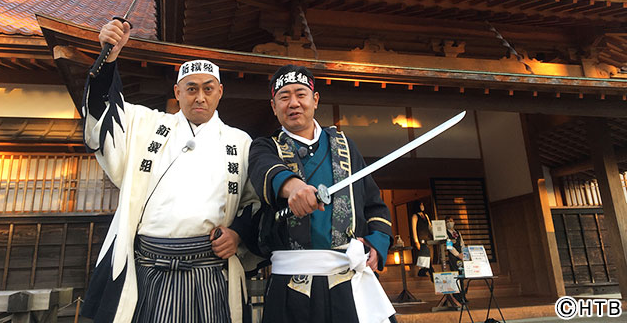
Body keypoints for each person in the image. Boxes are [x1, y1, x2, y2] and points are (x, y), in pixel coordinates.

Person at [80, 19, 261, 323]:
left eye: (207, 89)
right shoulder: (146, 125)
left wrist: (238, 235)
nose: (199, 97)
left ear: (220, 92)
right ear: (177, 92)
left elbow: (253, 203)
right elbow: (106, 114)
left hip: (211, 270)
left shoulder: (239, 142)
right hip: (151, 268)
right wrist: (109, 59)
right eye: (191, 89)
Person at [248, 64, 396, 323]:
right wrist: (293, 187)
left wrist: (377, 242)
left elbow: (374, 203)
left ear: (315, 100)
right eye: (284, 97)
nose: (293, 103)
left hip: (347, 280)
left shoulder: (346, 147)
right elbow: (265, 170)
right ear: (274, 106)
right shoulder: (265, 147)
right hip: (291, 284)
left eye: (300, 94)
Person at [411, 200, 433, 278]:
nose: (422, 206)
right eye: (421, 205)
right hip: (421, 239)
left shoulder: (426, 216)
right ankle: (431, 272)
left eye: (423, 205)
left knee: (428, 256)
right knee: (424, 256)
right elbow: (414, 229)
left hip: (428, 239)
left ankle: (423, 271)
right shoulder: (415, 216)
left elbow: (430, 227)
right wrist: (416, 240)